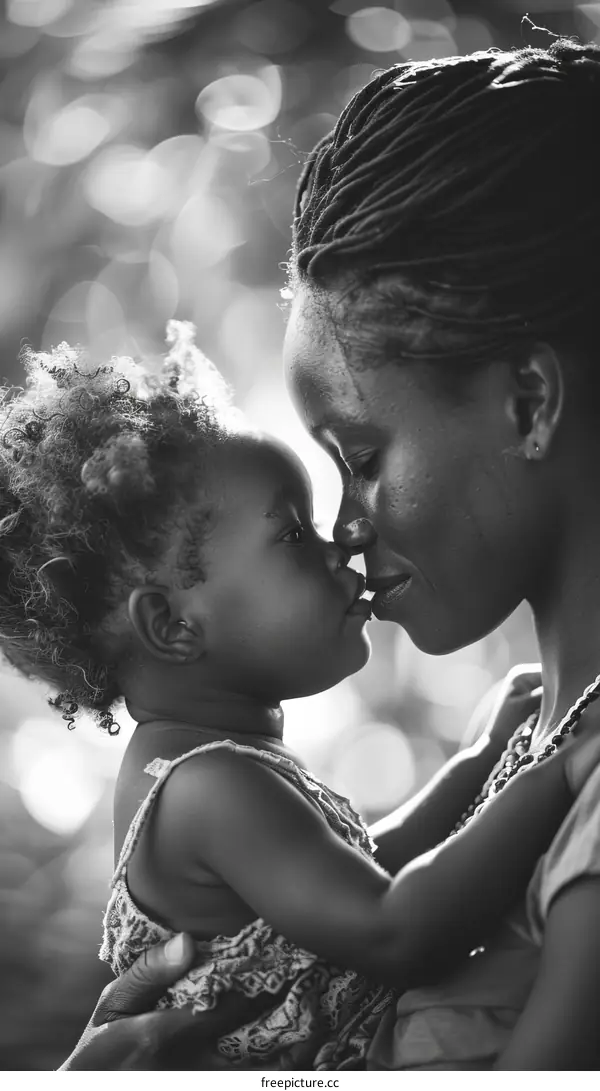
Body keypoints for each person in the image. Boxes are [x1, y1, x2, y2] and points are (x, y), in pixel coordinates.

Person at [15, 32, 600, 1070]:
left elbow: (377, 893)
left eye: (361, 456)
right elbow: (379, 910)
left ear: (529, 401)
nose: (346, 526)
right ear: (172, 623)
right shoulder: (214, 784)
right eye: (305, 509)